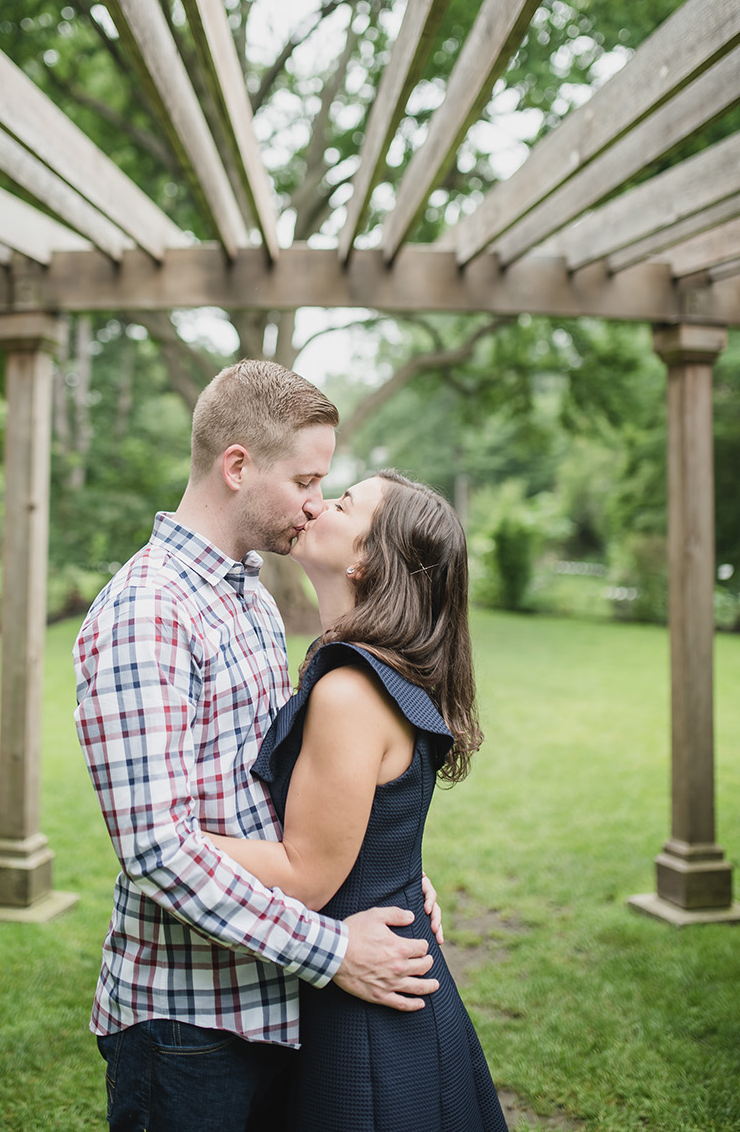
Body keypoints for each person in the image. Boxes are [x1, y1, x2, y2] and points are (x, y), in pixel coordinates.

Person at [74, 362, 443, 1132]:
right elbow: (156, 851)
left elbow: (280, 789)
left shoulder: (247, 595)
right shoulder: (149, 611)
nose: (316, 501)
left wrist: (383, 873)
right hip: (186, 1026)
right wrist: (332, 950)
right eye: (307, 478)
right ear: (237, 465)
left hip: (271, 1001)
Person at [204, 469, 508, 1131]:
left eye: (342, 502)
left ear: (367, 557)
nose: (317, 502)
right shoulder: (374, 669)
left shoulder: (350, 691)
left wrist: (170, 842)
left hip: (366, 1023)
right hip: (370, 980)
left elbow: (307, 874)